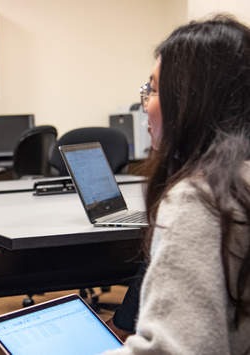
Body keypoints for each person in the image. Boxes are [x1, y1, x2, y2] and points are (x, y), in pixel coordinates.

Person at [101, 15, 250, 354]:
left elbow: (175, 349)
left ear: (189, 102)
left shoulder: (202, 199)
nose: (146, 105)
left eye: (153, 89)